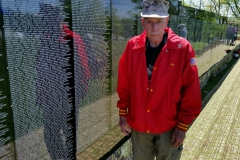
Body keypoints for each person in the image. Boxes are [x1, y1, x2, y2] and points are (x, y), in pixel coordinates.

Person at [116, 0, 202, 160]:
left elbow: (191, 90)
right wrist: (123, 113)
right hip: (140, 126)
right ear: (143, 22)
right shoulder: (132, 47)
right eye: (149, 21)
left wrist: (183, 126)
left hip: (169, 127)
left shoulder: (182, 49)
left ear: (167, 20)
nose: (154, 28)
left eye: (159, 21)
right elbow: (124, 83)